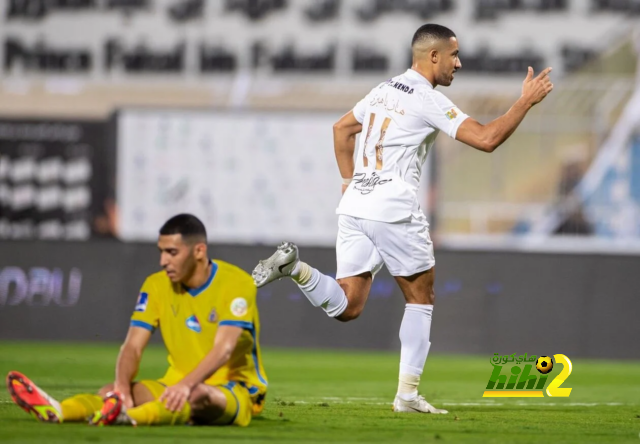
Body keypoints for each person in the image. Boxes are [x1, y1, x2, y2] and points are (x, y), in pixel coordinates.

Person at [252, 23, 553, 414]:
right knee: (421, 297)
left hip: (356, 206)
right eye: (454, 55)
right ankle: (407, 396)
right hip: (393, 208)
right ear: (433, 56)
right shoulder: (426, 99)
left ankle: (296, 269)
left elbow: (342, 129)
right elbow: (486, 139)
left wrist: (348, 182)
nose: (458, 63)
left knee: (348, 305)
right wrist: (524, 101)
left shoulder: (384, 89)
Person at [7, 213, 267, 426]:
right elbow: (132, 346)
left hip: (236, 389)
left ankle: (127, 417)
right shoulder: (156, 285)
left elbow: (224, 349)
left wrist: (187, 385)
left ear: (199, 251)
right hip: (175, 382)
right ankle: (61, 410)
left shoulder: (236, 283)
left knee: (198, 395)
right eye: (161, 251)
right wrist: (121, 387)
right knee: (111, 392)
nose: (163, 261)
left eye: (172, 252)